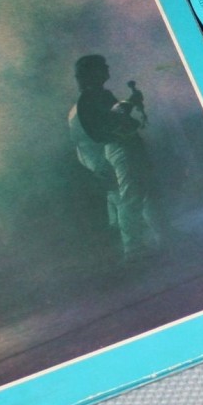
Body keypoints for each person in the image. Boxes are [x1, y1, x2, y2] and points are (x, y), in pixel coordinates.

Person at [67, 54, 162, 262]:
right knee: (130, 197)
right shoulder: (89, 99)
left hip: (120, 149)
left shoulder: (94, 97)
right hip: (119, 149)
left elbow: (112, 119)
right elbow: (105, 124)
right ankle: (134, 248)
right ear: (92, 73)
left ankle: (159, 236)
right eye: (102, 66)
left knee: (141, 192)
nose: (107, 68)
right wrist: (130, 103)